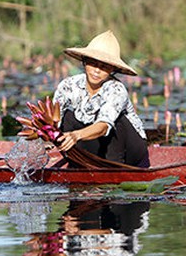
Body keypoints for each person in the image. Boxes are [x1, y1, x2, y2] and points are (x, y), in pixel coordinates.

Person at [53, 29, 149, 168]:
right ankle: (76, 163)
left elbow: (103, 127)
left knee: (119, 120)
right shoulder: (68, 85)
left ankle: (114, 169)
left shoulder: (116, 89)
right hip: (95, 146)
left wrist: (76, 135)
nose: (97, 71)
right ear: (85, 62)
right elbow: (55, 118)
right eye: (93, 63)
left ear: (112, 70)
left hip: (129, 151)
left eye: (104, 67)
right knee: (67, 116)